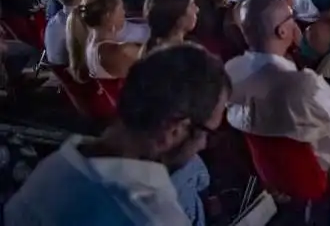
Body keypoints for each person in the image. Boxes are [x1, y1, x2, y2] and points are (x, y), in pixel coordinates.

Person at [5, 44, 230, 226]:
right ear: (174, 130)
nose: (203, 145)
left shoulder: (57, 164)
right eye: (207, 133)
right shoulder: (153, 217)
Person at [226, 0, 330, 179]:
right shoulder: (302, 85)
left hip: (269, 169)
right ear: (282, 31)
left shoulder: (231, 74)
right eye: (291, 16)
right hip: (316, 169)